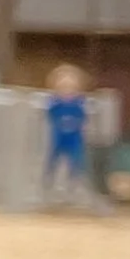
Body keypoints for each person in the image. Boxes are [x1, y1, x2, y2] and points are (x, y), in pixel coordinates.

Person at [45, 61, 91, 203]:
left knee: (76, 161)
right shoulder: (54, 103)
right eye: (63, 85)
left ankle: (73, 187)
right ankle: (50, 186)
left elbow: (84, 116)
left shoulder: (80, 103)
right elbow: (49, 115)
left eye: (70, 86)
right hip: (57, 136)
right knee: (52, 160)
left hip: (74, 137)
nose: (67, 89)